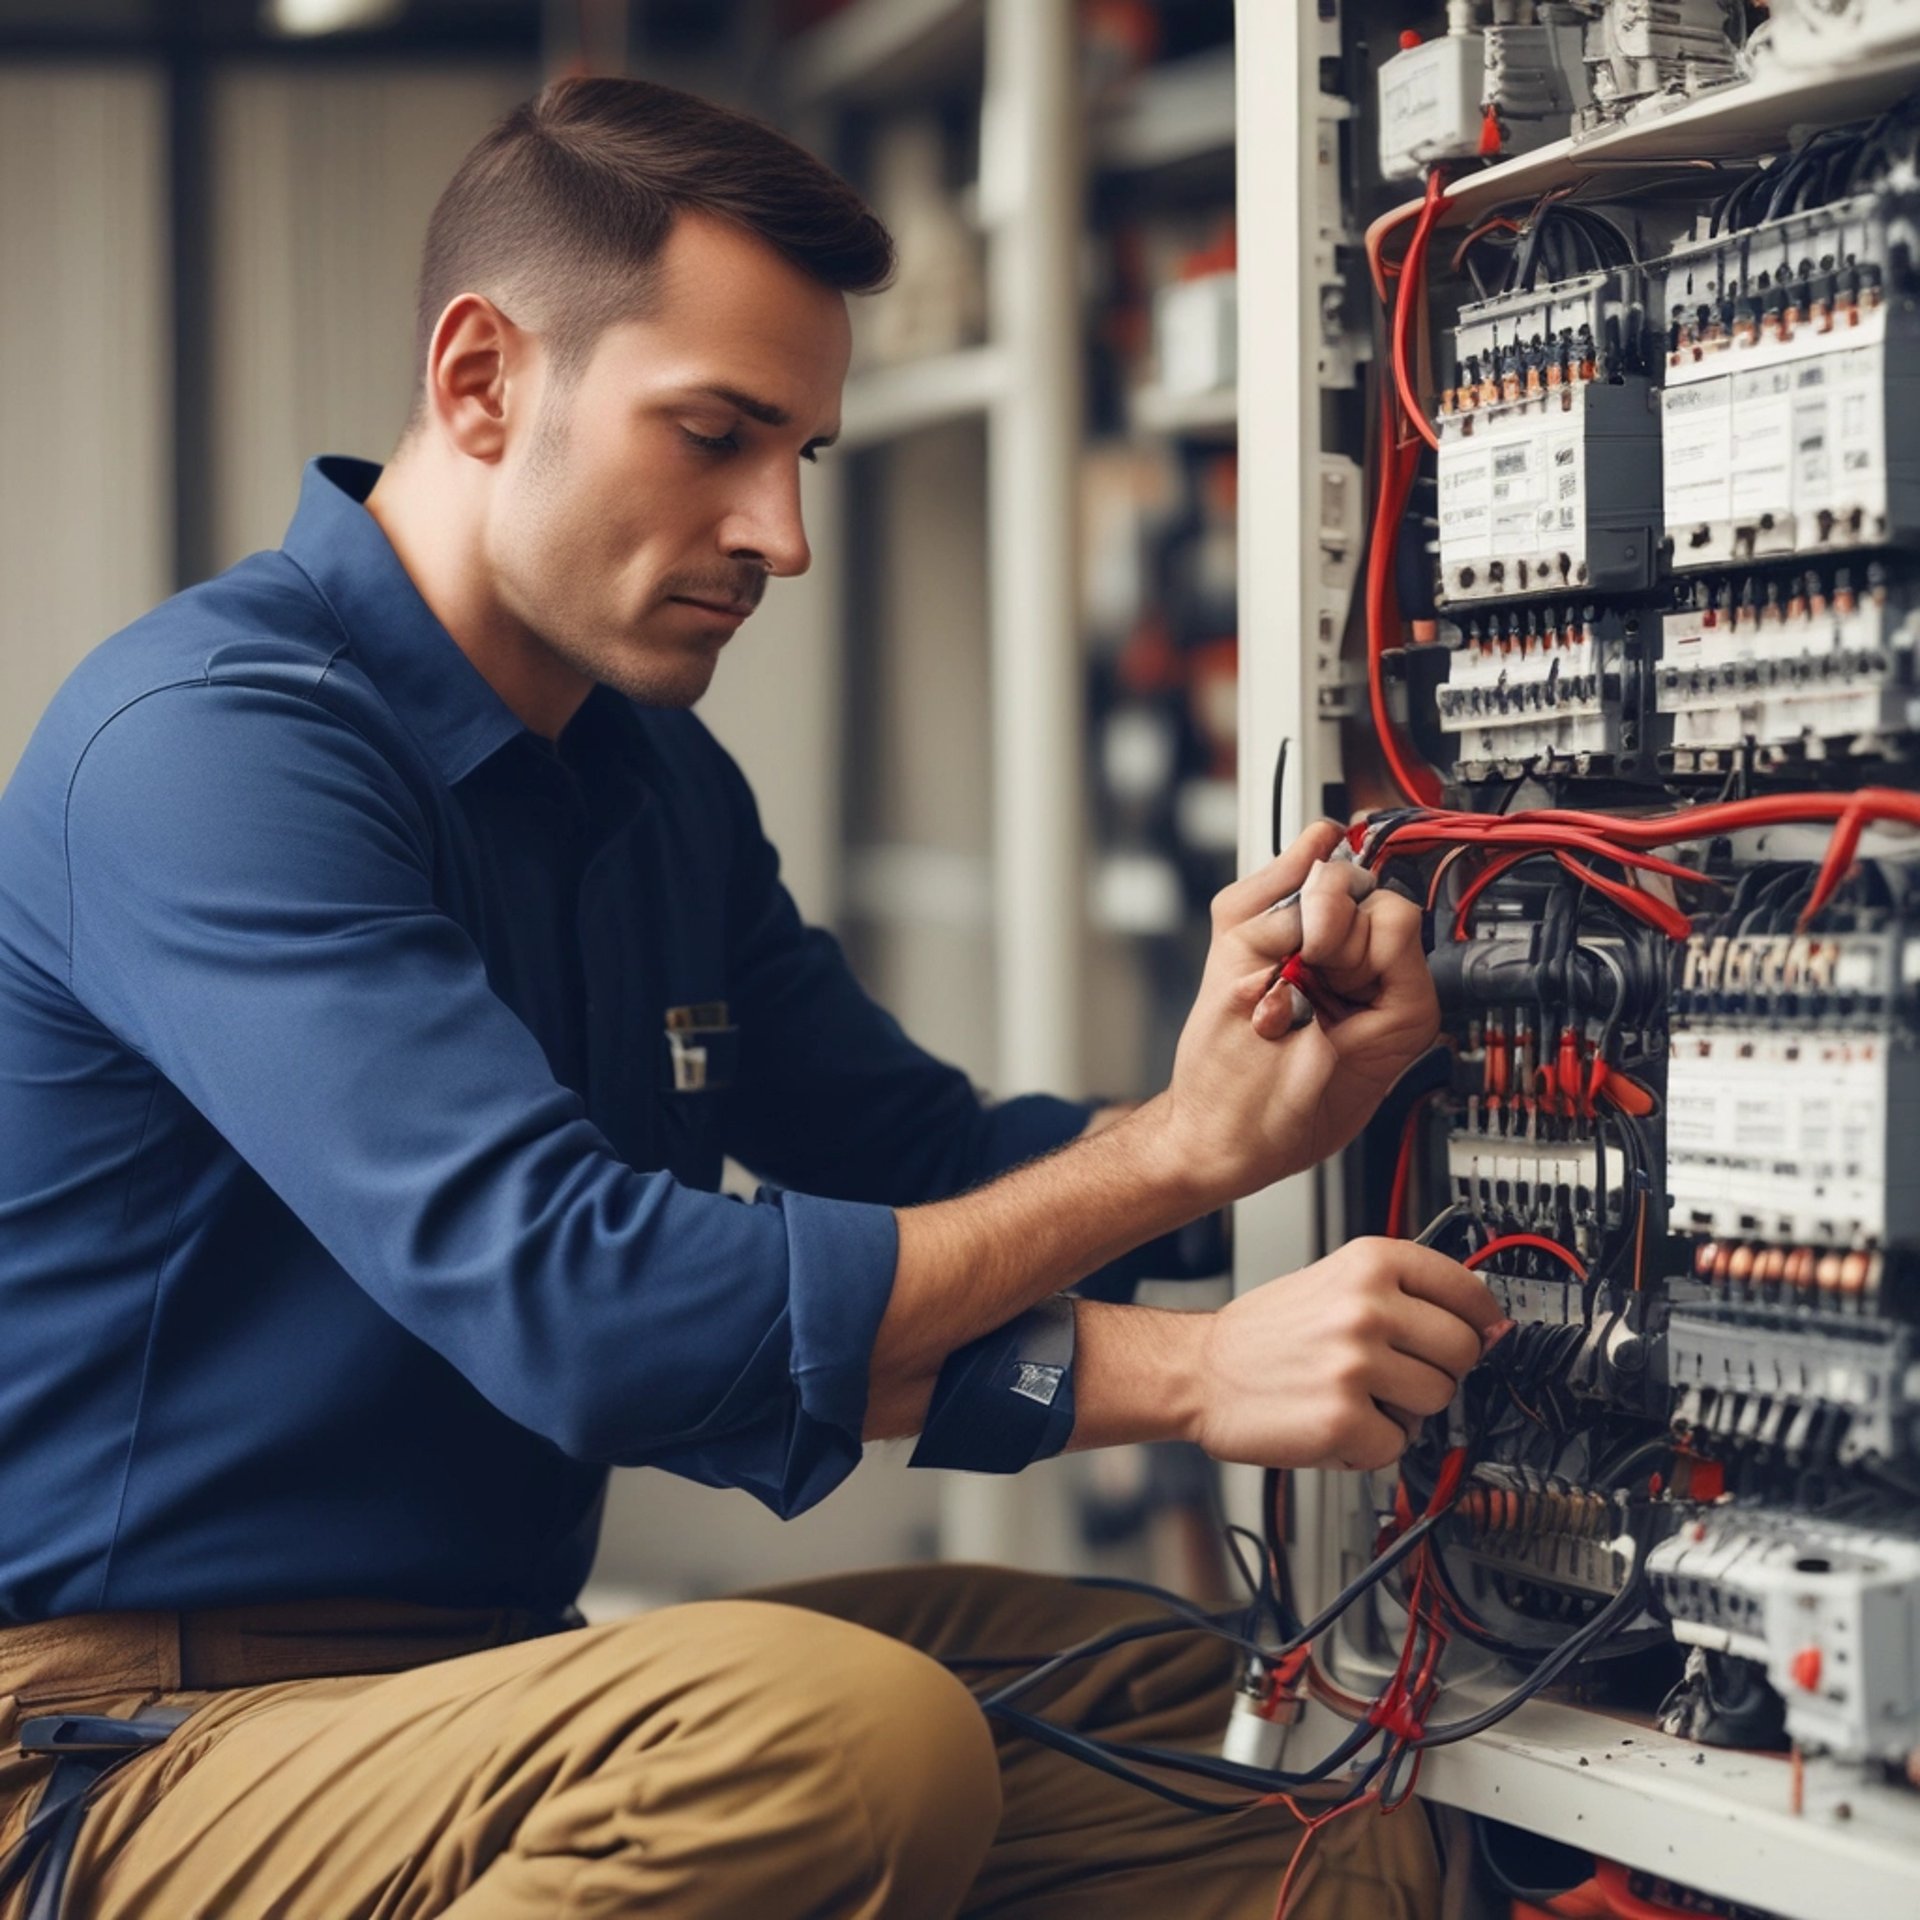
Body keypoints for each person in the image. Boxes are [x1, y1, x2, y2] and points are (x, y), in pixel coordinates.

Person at [0, 77, 1498, 1920]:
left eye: (803, 454)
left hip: (476, 1681)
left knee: (1241, 1730)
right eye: (713, 435)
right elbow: (595, 1311)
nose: (779, 534)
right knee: (841, 1741)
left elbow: (926, 1165)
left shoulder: (648, 781)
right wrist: (1189, 1360)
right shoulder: (209, 752)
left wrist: (1250, 1120)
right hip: (123, 1747)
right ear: (481, 383)